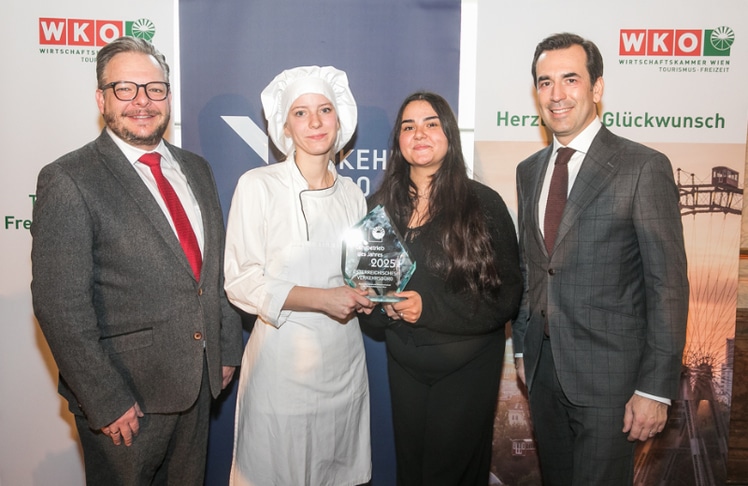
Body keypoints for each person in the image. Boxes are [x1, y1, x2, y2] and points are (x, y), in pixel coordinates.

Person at [30, 36, 243, 485]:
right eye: (125, 88)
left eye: (154, 88)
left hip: (198, 387)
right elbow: (60, 306)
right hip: (127, 403)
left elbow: (215, 272)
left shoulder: (197, 169)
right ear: (101, 99)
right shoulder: (69, 178)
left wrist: (225, 350)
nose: (142, 101)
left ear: (169, 96)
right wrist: (105, 399)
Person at [512, 32, 689, 485]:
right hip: (543, 372)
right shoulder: (529, 170)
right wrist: (523, 347)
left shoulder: (642, 167)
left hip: (613, 382)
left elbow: (667, 285)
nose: (556, 94)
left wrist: (655, 389)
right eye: (545, 82)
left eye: (570, 79)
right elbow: (533, 268)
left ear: (597, 87)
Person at [360, 92, 523, 485]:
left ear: (449, 134)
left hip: (466, 368)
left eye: (431, 124)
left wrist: (428, 308)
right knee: (412, 474)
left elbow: (507, 296)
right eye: (409, 126)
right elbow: (375, 302)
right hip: (405, 367)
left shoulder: (483, 203)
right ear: (398, 141)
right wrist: (372, 305)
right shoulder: (378, 208)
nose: (420, 134)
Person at [224, 65, 375, 485]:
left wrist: (370, 292)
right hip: (280, 366)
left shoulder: (353, 195)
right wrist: (322, 298)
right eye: (301, 113)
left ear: (340, 119)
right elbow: (241, 281)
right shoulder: (258, 185)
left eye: (325, 110)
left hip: (343, 363)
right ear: (285, 127)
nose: (315, 122)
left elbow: (358, 272)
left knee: (335, 471)